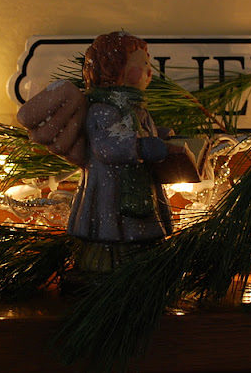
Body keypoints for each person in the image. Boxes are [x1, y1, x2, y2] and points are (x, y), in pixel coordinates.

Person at [67, 31, 174, 272]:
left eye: (148, 65)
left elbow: (139, 131)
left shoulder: (137, 108)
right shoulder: (104, 109)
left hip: (139, 182)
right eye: (142, 65)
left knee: (139, 227)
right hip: (109, 188)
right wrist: (139, 146)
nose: (149, 72)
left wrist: (159, 135)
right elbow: (105, 145)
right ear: (114, 70)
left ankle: (142, 260)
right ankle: (108, 265)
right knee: (112, 225)